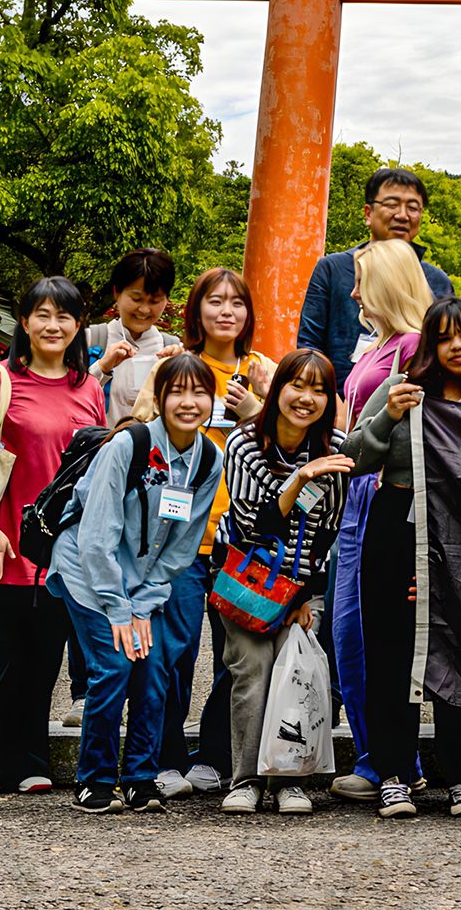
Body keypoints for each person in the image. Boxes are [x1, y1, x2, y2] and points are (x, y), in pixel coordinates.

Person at [346, 297, 461, 819]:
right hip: (398, 523)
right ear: (430, 346)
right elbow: (352, 458)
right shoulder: (404, 391)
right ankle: (395, 773)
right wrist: (388, 415)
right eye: (444, 337)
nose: (457, 346)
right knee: (392, 649)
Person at [51, 354, 224, 815]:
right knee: (113, 666)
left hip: (143, 581)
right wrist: (119, 608)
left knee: (153, 669)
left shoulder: (208, 458)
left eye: (199, 392)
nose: (189, 402)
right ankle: (95, 778)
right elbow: (95, 535)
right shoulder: (130, 444)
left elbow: (183, 544)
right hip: (88, 573)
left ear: (212, 398)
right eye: (177, 392)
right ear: (161, 397)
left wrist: (143, 603)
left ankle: (140, 778)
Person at [0, 276, 108, 795]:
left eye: (64, 316)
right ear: (24, 322)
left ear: (78, 325)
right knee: (3, 650)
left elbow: (96, 468)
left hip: (65, 547)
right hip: (4, 540)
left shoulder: (88, 389)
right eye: (42, 314)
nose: (53, 325)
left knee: (46, 655)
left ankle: (30, 758)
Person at [153, 267, 277, 802]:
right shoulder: (178, 367)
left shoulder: (265, 371)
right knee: (173, 652)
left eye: (236, 303)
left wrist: (259, 412)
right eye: (215, 302)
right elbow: (145, 436)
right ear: (196, 311)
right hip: (181, 540)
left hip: (242, 540)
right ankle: (165, 758)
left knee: (239, 652)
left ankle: (213, 754)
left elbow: (296, 441)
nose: (226, 311)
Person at [216, 350, 354, 816]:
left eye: (319, 389)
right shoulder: (243, 445)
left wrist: (303, 597)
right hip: (247, 583)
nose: (307, 398)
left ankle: (288, 778)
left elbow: (327, 534)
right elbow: (252, 528)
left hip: (298, 589)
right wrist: (298, 479)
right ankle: (246, 779)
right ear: (277, 390)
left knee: (293, 673)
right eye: (298, 385)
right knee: (252, 669)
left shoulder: (336, 448)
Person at [330, 237, 437, 805]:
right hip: (359, 496)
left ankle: (391, 760)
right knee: (353, 634)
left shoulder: (414, 346)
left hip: (386, 496)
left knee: (378, 637)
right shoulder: (374, 345)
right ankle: (381, 756)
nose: (351, 293)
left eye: (361, 281)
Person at [298, 167, 455, 375]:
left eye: (413, 207)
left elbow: (446, 348)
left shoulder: (436, 281)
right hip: (338, 398)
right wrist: (333, 400)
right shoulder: (333, 269)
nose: (402, 215)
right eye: (391, 205)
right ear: (368, 213)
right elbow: (309, 345)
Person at [89, 247, 180, 428]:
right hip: (98, 452)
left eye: (154, 301)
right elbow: (68, 401)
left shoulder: (173, 350)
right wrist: (100, 369)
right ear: (117, 293)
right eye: (136, 299)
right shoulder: (90, 340)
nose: (145, 310)